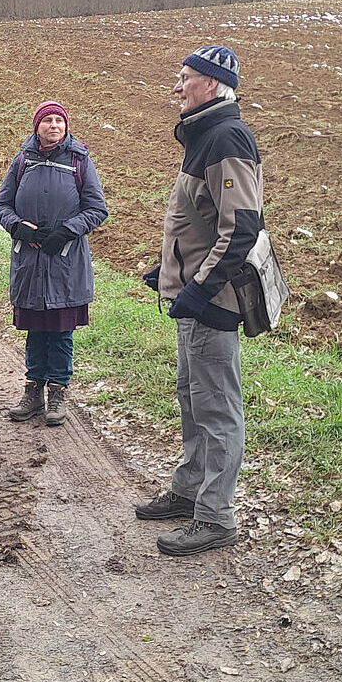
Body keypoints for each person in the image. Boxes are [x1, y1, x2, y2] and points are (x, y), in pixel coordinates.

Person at [134, 45, 264, 557]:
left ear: (211, 84)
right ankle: (189, 492)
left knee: (217, 409)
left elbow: (240, 229)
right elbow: (200, 219)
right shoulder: (203, 136)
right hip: (192, 299)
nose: (176, 86)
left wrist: (197, 290)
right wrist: (166, 273)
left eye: (184, 77)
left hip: (213, 304)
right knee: (192, 398)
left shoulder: (226, 137)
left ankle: (215, 517)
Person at [0, 101, 108, 426]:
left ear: (66, 126)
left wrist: (66, 232)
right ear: (37, 127)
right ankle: (33, 392)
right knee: (35, 331)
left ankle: (58, 392)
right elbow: (1, 204)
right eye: (48, 121)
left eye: (59, 120)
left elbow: (97, 208)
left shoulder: (79, 162)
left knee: (60, 333)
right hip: (29, 263)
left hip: (65, 263)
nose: (54, 125)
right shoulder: (22, 161)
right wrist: (16, 226)